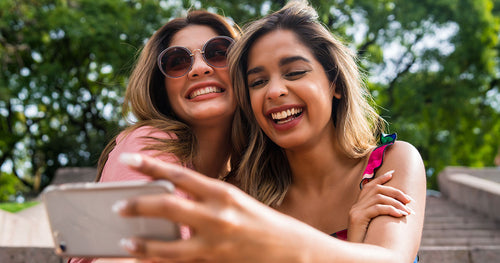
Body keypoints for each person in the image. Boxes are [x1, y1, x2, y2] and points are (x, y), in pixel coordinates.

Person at [113, 1, 426, 262]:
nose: (275, 91)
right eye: (257, 82)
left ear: (335, 84)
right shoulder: (244, 194)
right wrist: (356, 243)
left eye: (294, 72)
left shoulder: (391, 163)